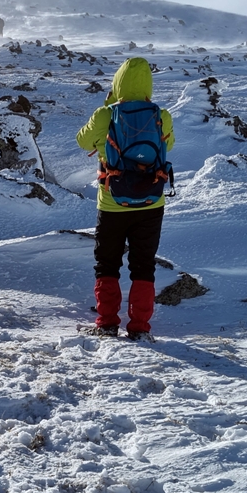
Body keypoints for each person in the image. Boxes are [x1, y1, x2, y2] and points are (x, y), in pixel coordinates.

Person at [75, 57, 175, 340]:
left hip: (112, 203)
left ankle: (107, 323)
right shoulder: (161, 115)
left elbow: (82, 141)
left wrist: (107, 109)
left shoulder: (106, 115)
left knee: (107, 263)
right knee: (144, 264)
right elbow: (169, 144)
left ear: (117, 83)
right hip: (152, 203)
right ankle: (140, 328)